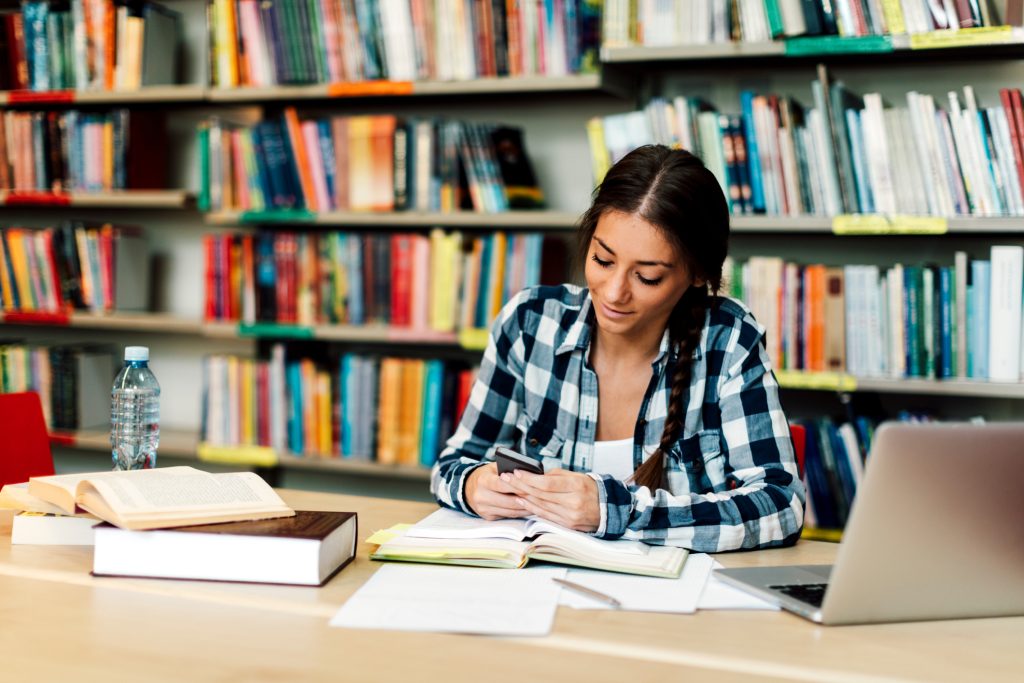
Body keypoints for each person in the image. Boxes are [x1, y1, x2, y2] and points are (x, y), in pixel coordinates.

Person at [431, 145, 804, 551]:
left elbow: (781, 504)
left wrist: (616, 512)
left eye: (647, 277)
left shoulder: (729, 341)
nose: (613, 293)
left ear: (697, 274)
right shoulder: (529, 323)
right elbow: (452, 463)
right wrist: (472, 486)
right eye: (602, 260)